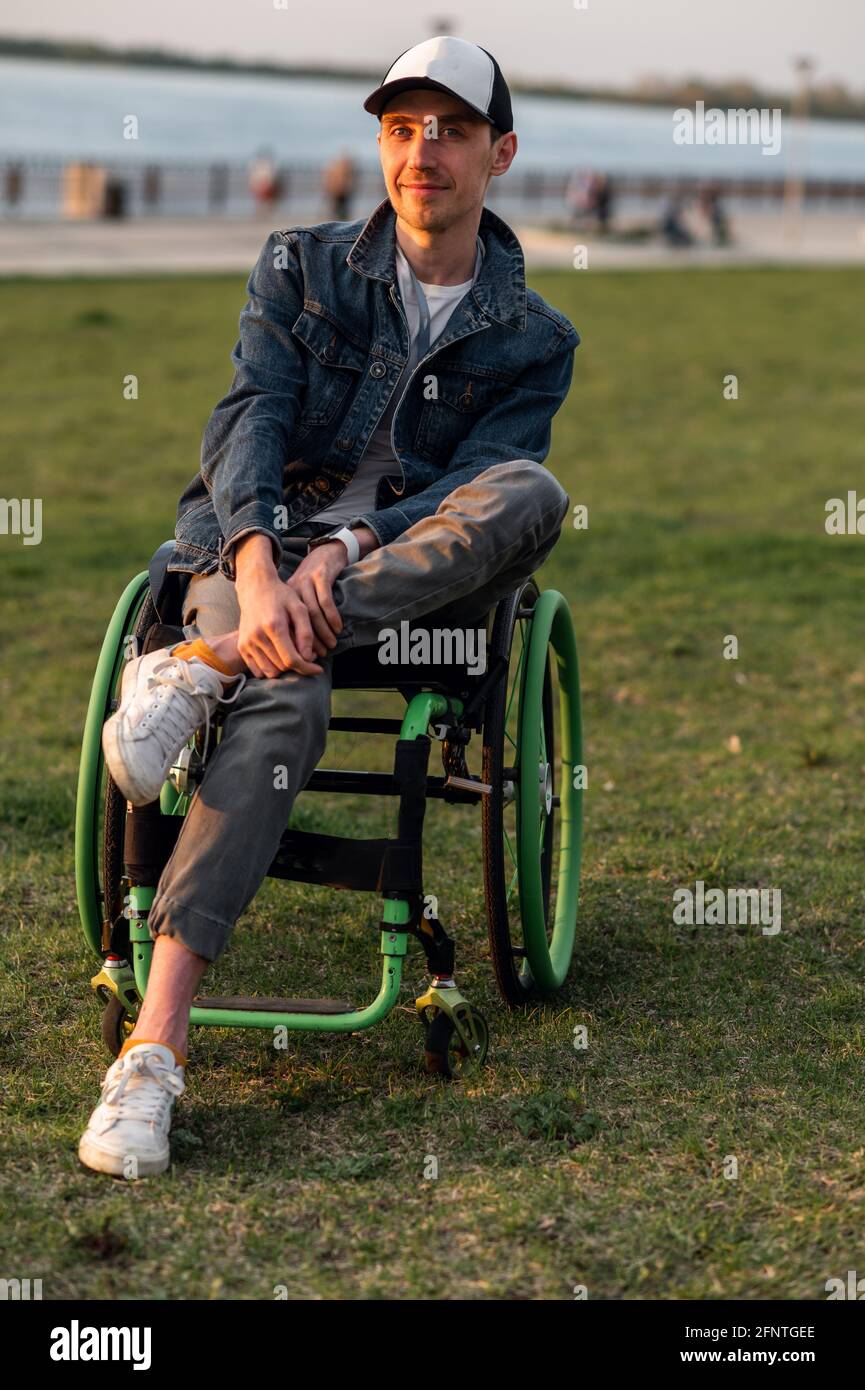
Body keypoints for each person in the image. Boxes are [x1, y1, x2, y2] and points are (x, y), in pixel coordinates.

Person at [78, 35, 580, 1178]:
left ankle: (205, 667)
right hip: (249, 554)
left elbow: (471, 493)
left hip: (407, 582)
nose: (425, 152)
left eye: (451, 130)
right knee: (289, 698)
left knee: (531, 492)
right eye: (403, 129)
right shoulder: (300, 265)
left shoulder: (534, 338)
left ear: (498, 154)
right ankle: (153, 1051)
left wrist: (345, 550)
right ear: (380, 146)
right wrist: (261, 566)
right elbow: (248, 413)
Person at [322, 151, 357, 220]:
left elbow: (350, 181)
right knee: (337, 209)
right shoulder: (339, 168)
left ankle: (341, 221)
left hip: (342, 192)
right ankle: (338, 221)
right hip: (337, 192)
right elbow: (330, 179)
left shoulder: (344, 169)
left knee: (343, 210)